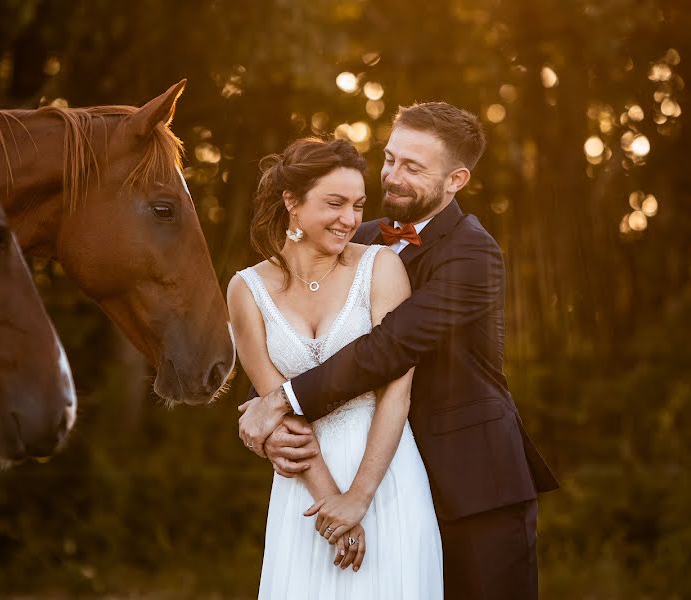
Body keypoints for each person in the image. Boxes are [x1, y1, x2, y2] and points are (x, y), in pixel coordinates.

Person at [238, 103, 559, 600]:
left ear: (456, 179)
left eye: (413, 167)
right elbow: (294, 342)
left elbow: (390, 347)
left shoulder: (473, 253)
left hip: (474, 485)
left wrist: (278, 403)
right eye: (390, 159)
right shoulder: (358, 240)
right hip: (385, 476)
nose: (392, 176)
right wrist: (270, 434)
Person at [227, 137, 443, 599]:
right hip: (305, 492)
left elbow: (395, 393)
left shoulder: (381, 268)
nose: (350, 219)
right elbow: (281, 414)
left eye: (358, 205)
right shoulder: (246, 290)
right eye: (335, 203)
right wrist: (331, 506)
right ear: (292, 202)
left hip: (386, 479)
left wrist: (358, 498)